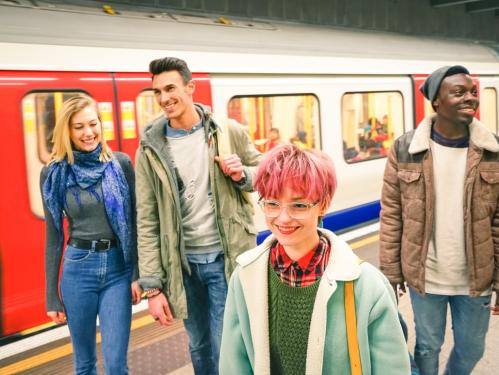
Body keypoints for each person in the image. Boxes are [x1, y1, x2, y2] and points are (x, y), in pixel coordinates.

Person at [220, 144, 411, 374]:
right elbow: (234, 365)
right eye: (272, 203)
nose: (283, 218)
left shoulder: (367, 286)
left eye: (299, 205)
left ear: (323, 204)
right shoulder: (244, 278)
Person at [135, 57, 261, 375]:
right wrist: (153, 287)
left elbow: (266, 173)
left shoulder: (227, 131)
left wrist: (242, 173)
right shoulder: (150, 148)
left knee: (226, 346)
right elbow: (147, 218)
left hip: (225, 259)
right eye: (158, 92)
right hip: (184, 266)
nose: (164, 98)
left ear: (190, 88)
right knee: (199, 346)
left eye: (171, 88)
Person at [380, 65, 499, 375]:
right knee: (427, 346)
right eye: (458, 92)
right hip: (426, 276)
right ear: (436, 101)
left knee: (472, 348)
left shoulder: (493, 150)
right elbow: (392, 212)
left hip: (476, 278)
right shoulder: (406, 148)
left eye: (472, 92)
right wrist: (390, 271)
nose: (470, 98)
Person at [40, 94, 141, 375]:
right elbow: (54, 235)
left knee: (116, 364)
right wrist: (51, 295)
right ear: (67, 132)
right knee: (84, 364)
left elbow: (134, 221)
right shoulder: (54, 173)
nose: (89, 133)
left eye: (93, 124)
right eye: (79, 127)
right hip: (78, 269)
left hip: (117, 270)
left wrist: (136, 273)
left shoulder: (120, 164)